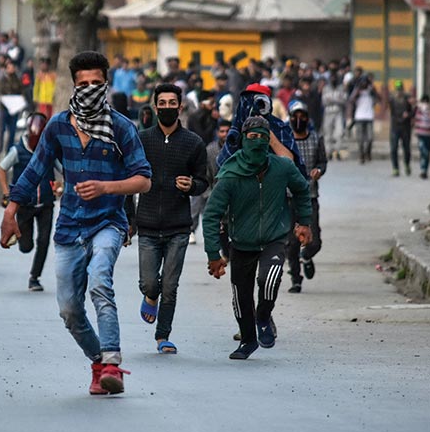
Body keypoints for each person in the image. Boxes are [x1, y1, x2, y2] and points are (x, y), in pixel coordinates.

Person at [0, 51, 151, 396]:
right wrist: (10, 211)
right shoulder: (58, 126)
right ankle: (98, 363)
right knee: (69, 309)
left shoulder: (122, 128)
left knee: (100, 282)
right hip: (69, 227)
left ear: (107, 84)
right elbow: (34, 169)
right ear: (73, 85)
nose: (90, 89)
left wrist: (106, 188)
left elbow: (144, 180)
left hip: (108, 223)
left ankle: (113, 363)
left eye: (97, 83)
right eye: (83, 84)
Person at [203, 115, 312, 360]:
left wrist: (304, 222)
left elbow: (302, 189)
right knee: (241, 297)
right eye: (252, 137)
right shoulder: (230, 174)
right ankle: (248, 341)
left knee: (270, 277)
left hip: (274, 238)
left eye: (263, 137)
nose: (258, 142)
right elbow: (210, 216)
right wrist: (213, 254)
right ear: (242, 140)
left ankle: (264, 315)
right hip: (240, 243)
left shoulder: (282, 167)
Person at [133, 83, 208, 354]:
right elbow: (128, 182)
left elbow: (203, 181)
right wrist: (129, 221)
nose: (166, 108)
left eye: (171, 103)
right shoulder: (141, 140)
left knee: (171, 285)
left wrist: (192, 185)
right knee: (150, 283)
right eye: (161, 103)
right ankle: (150, 296)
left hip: (178, 226)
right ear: (155, 107)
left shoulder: (193, 143)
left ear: (180, 107)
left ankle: (162, 335)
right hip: (148, 225)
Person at [0, 112, 59, 291]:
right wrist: (6, 193)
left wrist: (62, 184)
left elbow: (64, 170)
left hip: (46, 203)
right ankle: (25, 244)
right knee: (26, 246)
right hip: (25, 204)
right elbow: (1, 169)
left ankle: (35, 277)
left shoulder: (50, 151)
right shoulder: (18, 150)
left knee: (44, 240)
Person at [285, 100, 327, 293]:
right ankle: (295, 278)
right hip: (287, 197)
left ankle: (307, 255)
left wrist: (319, 170)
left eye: (302, 116)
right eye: (295, 116)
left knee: (315, 240)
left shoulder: (316, 139)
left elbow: (322, 162)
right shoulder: (284, 140)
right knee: (291, 242)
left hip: (310, 196)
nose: (298, 120)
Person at [190, 118, 231, 244]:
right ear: (218, 133)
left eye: (227, 131)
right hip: (215, 192)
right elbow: (205, 174)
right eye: (222, 131)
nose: (225, 134)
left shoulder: (239, 148)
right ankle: (191, 230)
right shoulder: (210, 150)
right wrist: (209, 194)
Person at [388, 80, 414, 177]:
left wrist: (408, 115)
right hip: (395, 127)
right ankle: (395, 168)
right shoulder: (392, 100)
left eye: (400, 89)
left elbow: (413, 112)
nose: (399, 92)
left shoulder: (408, 99)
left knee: (406, 148)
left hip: (405, 127)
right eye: (397, 90)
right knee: (393, 148)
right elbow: (391, 112)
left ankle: (407, 164)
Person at [349, 77, 377, 164]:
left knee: (370, 138)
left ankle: (367, 152)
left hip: (369, 116)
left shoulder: (370, 91)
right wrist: (358, 92)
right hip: (359, 116)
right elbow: (351, 100)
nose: (364, 84)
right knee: (360, 138)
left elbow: (378, 98)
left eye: (365, 83)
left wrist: (373, 89)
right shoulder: (357, 91)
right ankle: (361, 154)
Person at [321, 73, 346, 160]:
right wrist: (336, 99)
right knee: (328, 133)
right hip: (328, 112)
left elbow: (343, 100)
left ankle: (338, 151)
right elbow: (324, 101)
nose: (333, 80)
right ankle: (328, 152)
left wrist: (332, 99)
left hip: (338, 112)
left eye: (335, 78)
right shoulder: (326, 89)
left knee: (339, 133)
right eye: (332, 78)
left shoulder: (341, 88)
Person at [413, 94, 430, 179]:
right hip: (420, 133)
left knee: (427, 153)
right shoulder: (417, 109)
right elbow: (414, 118)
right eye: (423, 102)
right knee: (423, 151)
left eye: (426, 102)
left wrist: (429, 111)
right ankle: (422, 169)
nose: (425, 104)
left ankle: (425, 170)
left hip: (429, 134)